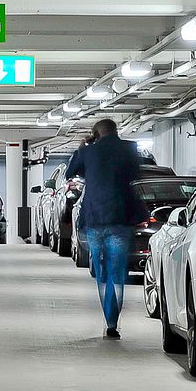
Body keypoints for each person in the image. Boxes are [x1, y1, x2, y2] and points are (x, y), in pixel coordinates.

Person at [66, 119, 145, 340]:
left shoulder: (88, 152)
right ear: (115, 130)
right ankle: (112, 322)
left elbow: (70, 172)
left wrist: (83, 148)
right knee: (117, 271)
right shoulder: (129, 149)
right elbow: (135, 175)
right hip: (120, 218)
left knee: (101, 272)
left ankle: (109, 317)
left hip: (94, 218)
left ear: (96, 134)